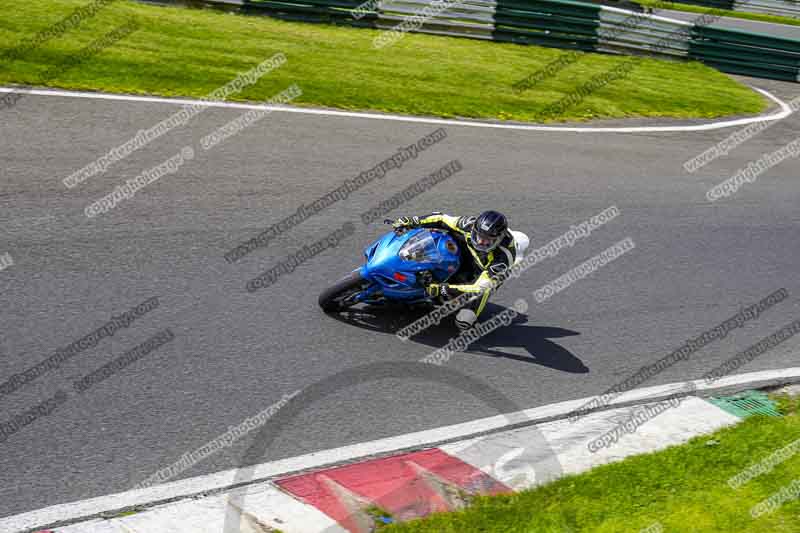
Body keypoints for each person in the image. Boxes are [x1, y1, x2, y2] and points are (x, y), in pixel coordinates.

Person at [391, 210, 527, 329]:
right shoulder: (468, 224)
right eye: (479, 236)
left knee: (464, 321)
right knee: (437, 238)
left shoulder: (502, 259)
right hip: (463, 250)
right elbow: (441, 218)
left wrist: (444, 289)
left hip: (482, 273)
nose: (480, 242)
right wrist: (412, 221)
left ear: (498, 239)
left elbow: (478, 288)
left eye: (487, 240)